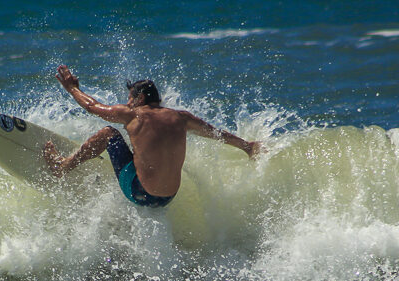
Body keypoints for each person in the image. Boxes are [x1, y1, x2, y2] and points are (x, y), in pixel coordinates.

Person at [43, 65, 262, 207]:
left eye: (130, 99)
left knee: (109, 134)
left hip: (140, 193)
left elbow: (92, 106)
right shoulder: (182, 118)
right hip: (167, 198)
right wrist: (247, 146)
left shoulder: (133, 115)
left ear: (139, 99)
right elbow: (217, 134)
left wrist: (72, 89)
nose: (127, 103)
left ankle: (62, 167)